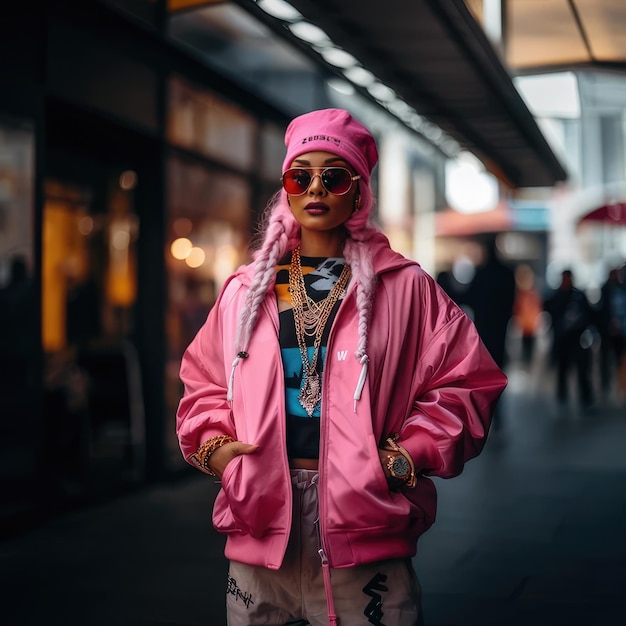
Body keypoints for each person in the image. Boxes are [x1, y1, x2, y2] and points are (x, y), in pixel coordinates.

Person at [176, 108, 507, 626]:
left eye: (334, 176)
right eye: (299, 175)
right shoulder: (246, 290)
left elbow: (468, 382)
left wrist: (403, 458)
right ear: (285, 187)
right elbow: (204, 384)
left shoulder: (406, 288)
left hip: (366, 529)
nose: (315, 188)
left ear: (358, 191)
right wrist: (218, 452)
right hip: (260, 521)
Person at [544, 269, 594, 407]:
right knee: (562, 371)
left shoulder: (578, 296)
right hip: (562, 341)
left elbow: (588, 315)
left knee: (582, 372)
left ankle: (585, 399)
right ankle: (562, 397)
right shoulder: (557, 296)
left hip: (577, 340)